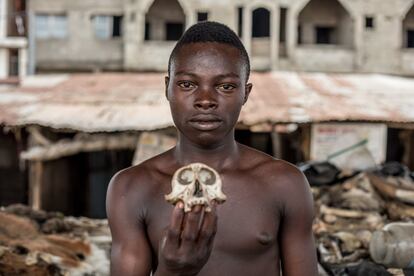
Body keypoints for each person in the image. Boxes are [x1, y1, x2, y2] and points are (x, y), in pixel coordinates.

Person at [106, 21, 318, 276]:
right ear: (167, 88)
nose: (205, 100)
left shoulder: (285, 183)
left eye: (225, 86)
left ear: (246, 93)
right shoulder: (131, 187)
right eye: (187, 84)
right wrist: (173, 271)